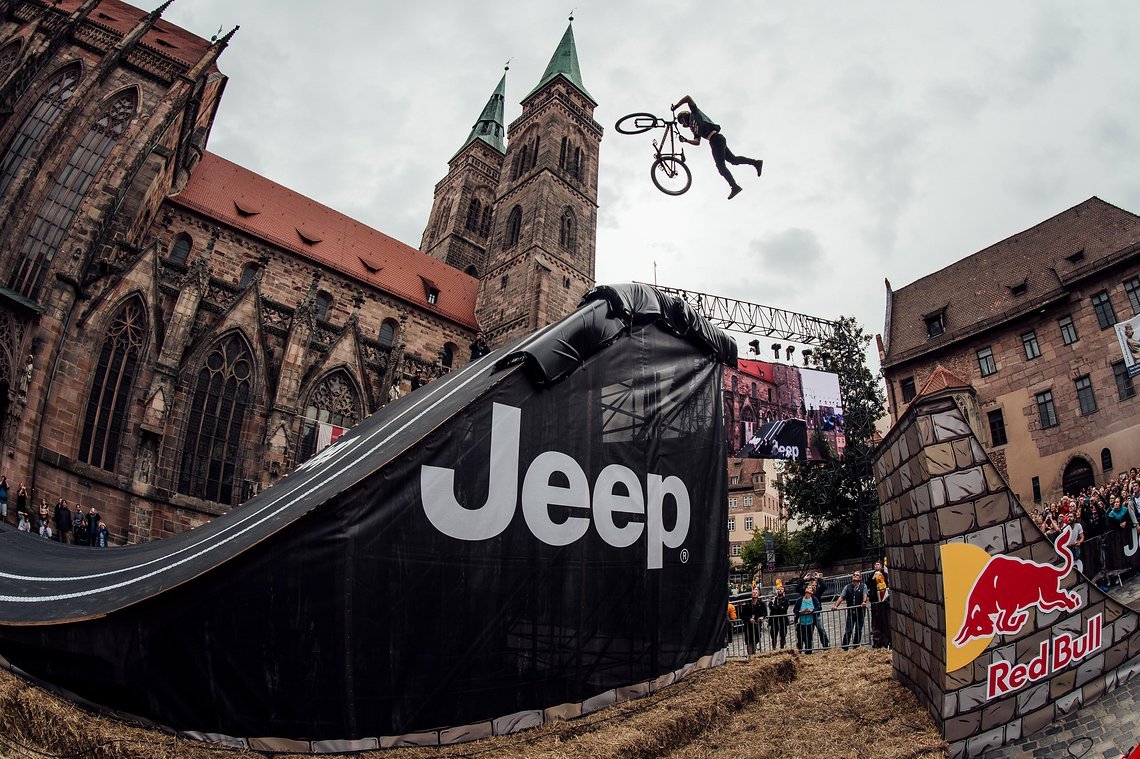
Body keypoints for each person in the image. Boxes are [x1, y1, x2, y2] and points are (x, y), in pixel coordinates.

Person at [671, 95, 763, 200]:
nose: (683, 123)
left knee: (721, 167)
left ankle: (734, 187)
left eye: (682, 120)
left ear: (685, 115)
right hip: (715, 141)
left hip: (716, 139)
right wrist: (686, 140)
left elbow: (688, 98)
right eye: (681, 123)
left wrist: (676, 106)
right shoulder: (693, 129)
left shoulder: (694, 113)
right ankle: (756, 163)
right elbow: (697, 142)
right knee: (733, 160)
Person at [835, 571, 870, 649]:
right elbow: (841, 597)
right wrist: (835, 606)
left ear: (860, 578)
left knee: (859, 629)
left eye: (857, 575)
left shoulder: (863, 586)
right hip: (851, 611)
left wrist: (864, 602)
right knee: (848, 629)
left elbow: (865, 594)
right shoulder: (847, 587)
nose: (854, 576)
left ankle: (856, 646)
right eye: (853, 575)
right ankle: (844, 647)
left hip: (860, 611)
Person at [870, 562, 891, 649]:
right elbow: (870, 585)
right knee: (876, 622)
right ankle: (877, 641)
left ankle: (887, 641)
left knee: (886, 622)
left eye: (878, 564)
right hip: (876, 601)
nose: (876, 566)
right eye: (875, 564)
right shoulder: (872, 575)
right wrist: (873, 578)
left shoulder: (885, 574)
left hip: (885, 601)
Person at [744, 586, 766, 656]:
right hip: (748, 625)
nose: (754, 594)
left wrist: (762, 617)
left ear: (758, 594)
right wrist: (749, 619)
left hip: (757, 625)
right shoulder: (747, 603)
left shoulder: (762, 603)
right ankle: (750, 656)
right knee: (749, 641)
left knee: (755, 640)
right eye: (753, 592)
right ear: (751, 594)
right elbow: (742, 614)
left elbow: (765, 612)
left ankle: (754, 655)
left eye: (756, 593)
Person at [768, 582, 790, 649]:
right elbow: (770, 606)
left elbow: (784, 608)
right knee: (774, 635)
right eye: (778, 589)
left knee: (783, 635)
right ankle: (774, 649)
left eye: (781, 589)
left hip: (782, 620)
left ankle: (782, 648)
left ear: (783, 591)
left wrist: (777, 607)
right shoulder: (773, 599)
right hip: (774, 620)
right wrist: (778, 607)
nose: (780, 590)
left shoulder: (786, 599)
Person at [797, 587, 818, 654]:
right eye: (807, 589)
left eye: (810, 590)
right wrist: (800, 611)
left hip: (810, 622)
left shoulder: (814, 599)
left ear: (812, 592)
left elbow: (818, 607)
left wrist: (812, 610)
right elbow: (795, 610)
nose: (808, 591)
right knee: (800, 638)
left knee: (808, 638)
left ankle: (808, 651)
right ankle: (799, 651)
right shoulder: (800, 600)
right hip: (801, 622)